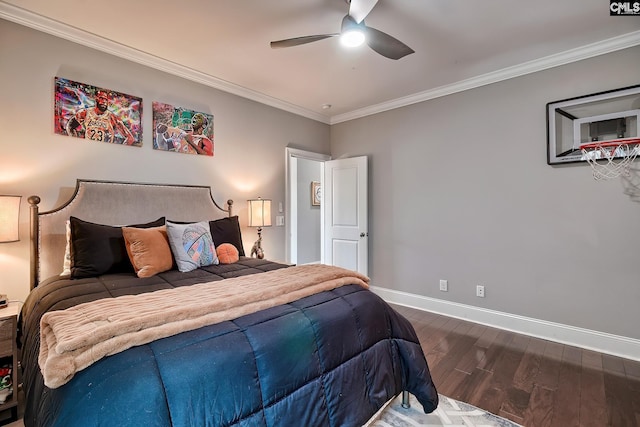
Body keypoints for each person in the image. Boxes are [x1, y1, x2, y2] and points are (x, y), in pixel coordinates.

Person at [66, 90, 135, 145]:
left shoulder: (112, 117)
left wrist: (119, 151)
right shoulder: (85, 113)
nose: (104, 101)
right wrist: (75, 142)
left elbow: (130, 138)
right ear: (96, 99)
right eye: (101, 98)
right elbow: (70, 126)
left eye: (105, 99)